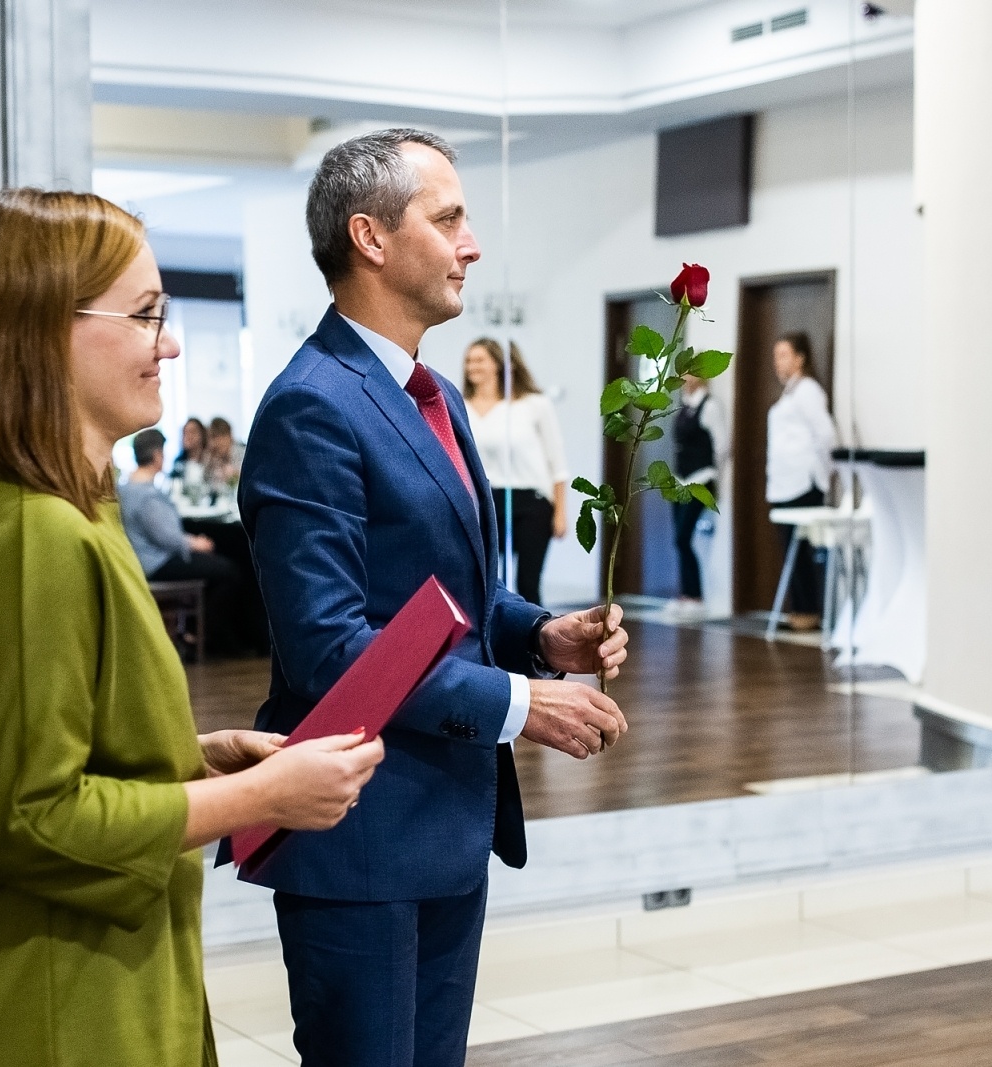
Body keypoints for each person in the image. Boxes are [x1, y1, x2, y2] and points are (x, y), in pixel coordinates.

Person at [0, 188, 384, 1065]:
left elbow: (55, 749)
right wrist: (260, 799)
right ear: (41, 327)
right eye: (147, 313)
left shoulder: (70, 511)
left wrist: (194, 754)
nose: (172, 339)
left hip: (96, 967)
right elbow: (36, 816)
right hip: (49, 989)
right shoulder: (28, 533)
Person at [240, 128, 630, 1067]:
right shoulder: (312, 406)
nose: (472, 242)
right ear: (370, 237)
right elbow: (330, 646)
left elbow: (455, 594)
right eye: (449, 217)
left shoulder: (436, 395)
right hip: (364, 831)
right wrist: (521, 704)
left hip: (447, 818)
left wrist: (542, 634)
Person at [121, 427, 248, 656]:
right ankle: (211, 636)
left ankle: (199, 632)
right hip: (156, 562)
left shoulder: (125, 489)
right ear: (158, 455)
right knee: (229, 571)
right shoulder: (146, 495)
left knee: (215, 567)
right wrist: (196, 543)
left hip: (141, 559)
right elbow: (167, 538)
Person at [462, 338, 569, 606]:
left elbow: (558, 463)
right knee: (483, 581)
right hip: (484, 501)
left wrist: (560, 512)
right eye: (468, 360)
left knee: (527, 583)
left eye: (479, 360)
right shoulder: (460, 405)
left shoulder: (534, 404)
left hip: (531, 502)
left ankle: (535, 643)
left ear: (498, 365)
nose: (471, 366)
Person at [765, 330, 837, 631]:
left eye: (783, 355)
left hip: (803, 483)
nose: (777, 362)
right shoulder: (790, 393)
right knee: (789, 548)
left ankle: (809, 610)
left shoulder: (808, 391)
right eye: (775, 356)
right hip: (784, 483)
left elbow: (826, 436)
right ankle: (799, 608)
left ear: (800, 358)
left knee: (802, 550)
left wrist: (821, 475)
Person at [670, 372, 729, 616]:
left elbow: (721, 445)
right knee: (679, 538)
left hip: (701, 479)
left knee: (684, 537)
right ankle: (686, 593)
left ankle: (695, 596)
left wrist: (714, 475)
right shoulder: (684, 406)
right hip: (680, 481)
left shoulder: (710, 406)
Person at [204, 415, 243, 487]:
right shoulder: (212, 458)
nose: (212, 444)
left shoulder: (243, 455)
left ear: (229, 436)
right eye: (210, 438)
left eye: (216, 437)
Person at [170, 416, 208, 481]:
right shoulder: (178, 463)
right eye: (185, 433)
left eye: (192, 432)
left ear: (202, 435)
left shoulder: (210, 461)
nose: (188, 437)